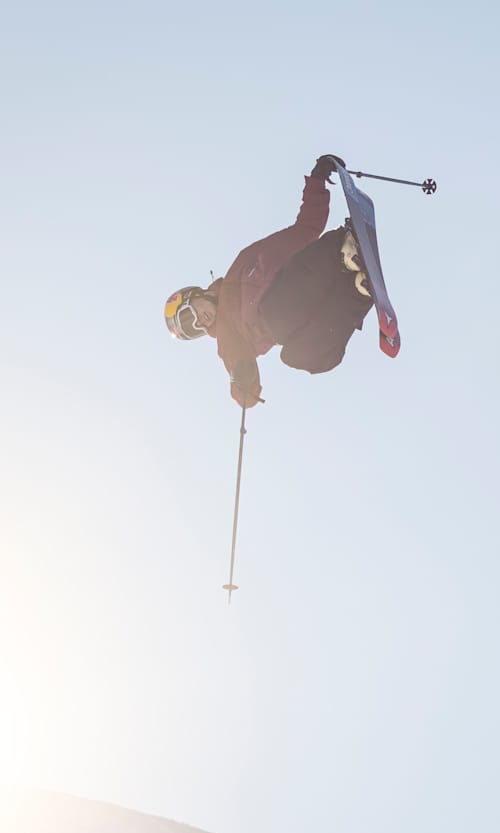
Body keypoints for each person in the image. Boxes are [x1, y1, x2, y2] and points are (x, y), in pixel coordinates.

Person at [164, 155, 373, 407]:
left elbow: (305, 228)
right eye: (193, 330)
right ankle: (357, 291)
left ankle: (344, 252)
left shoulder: (242, 267)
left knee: (275, 316)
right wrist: (242, 382)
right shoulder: (227, 336)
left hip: (311, 271)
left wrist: (317, 182)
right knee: (301, 356)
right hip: (317, 302)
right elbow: (236, 361)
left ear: (195, 295)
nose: (200, 323)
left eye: (190, 316)